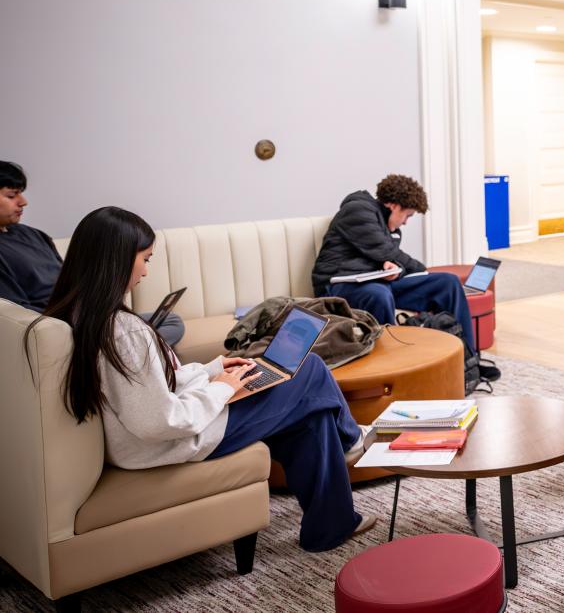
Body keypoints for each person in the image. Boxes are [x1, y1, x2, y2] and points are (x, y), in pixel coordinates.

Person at [32, 207, 374, 552]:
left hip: (147, 440)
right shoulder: (122, 330)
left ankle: (331, 526)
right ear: (117, 259)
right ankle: (351, 440)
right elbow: (159, 421)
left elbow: (148, 389)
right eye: (144, 259)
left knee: (306, 414)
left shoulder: (77, 314)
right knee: (311, 368)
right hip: (172, 442)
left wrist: (214, 370)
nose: (145, 272)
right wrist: (224, 388)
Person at [0, 161, 185, 344]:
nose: (23, 202)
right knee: (138, 331)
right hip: (59, 325)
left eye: (20, 193)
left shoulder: (35, 235)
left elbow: (68, 278)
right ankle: (124, 346)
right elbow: (15, 314)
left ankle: (129, 345)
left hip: (86, 313)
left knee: (171, 322)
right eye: (12, 195)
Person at [311, 174, 475, 356]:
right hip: (338, 286)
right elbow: (386, 251)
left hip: (375, 282)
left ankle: (467, 358)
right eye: (407, 215)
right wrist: (416, 268)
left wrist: (393, 269)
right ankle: (392, 362)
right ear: (394, 206)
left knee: (447, 283)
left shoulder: (390, 228)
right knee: (379, 295)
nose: (405, 222)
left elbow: (391, 258)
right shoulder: (358, 211)